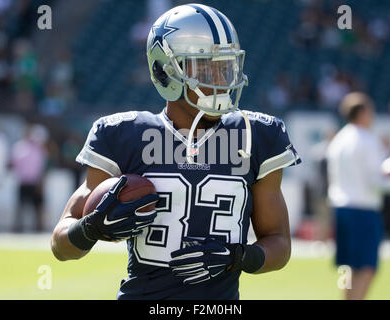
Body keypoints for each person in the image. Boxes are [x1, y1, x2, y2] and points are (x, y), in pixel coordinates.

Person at [51, 4, 301, 300]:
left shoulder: (255, 135)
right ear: (165, 70)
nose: (221, 81)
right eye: (205, 68)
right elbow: (60, 244)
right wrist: (89, 229)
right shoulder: (122, 135)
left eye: (225, 67)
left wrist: (240, 256)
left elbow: (279, 243)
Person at [326, 92, 390, 300]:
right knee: (367, 267)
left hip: (342, 208)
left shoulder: (340, 139)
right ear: (362, 112)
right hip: (363, 210)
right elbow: (376, 181)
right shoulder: (367, 139)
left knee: (350, 267)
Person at [11, 124, 48, 232]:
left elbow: (42, 167)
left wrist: (41, 182)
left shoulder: (38, 148)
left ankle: (39, 227)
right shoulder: (19, 147)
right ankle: (18, 227)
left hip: (35, 182)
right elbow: (15, 164)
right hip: (23, 181)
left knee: (37, 206)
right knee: (21, 206)